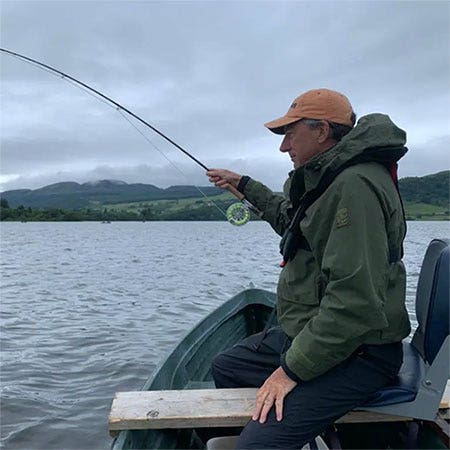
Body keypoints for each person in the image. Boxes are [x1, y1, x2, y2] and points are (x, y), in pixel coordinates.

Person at [206, 88, 411, 449]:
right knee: (227, 366)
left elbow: (355, 304)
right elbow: (293, 221)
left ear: (321, 132)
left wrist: (289, 372)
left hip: (360, 351)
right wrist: (245, 186)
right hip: (316, 332)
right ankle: (306, 426)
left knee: (256, 447)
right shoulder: (329, 179)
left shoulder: (354, 187)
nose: (284, 147)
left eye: (289, 133)